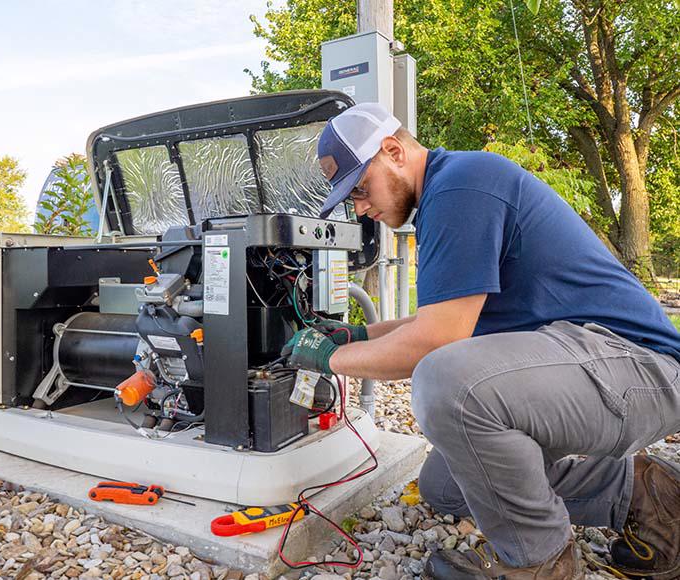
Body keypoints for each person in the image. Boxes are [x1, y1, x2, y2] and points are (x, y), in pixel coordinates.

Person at [281, 102, 680, 579]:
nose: (360, 207)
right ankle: (646, 494)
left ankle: (540, 560)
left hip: (640, 367)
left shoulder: (462, 185)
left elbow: (434, 343)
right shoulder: (450, 191)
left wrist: (333, 357)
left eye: (361, 188)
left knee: (445, 381)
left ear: (393, 151)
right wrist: (359, 333)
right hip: (593, 365)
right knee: (446, 485)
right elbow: (439, 318)